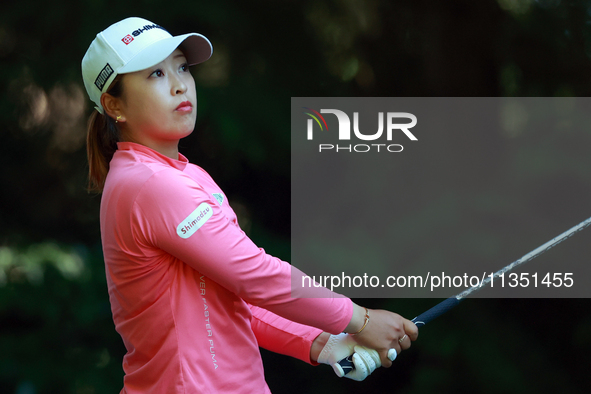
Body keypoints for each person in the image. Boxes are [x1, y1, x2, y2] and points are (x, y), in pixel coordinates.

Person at [81, 17, 418, 393]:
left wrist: (321, 342)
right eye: (156, 75)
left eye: (181, 67)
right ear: (115, 106)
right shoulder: (150, 184)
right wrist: (360, 319)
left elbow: (230, 296)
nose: (179, 85)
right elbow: (254, 275)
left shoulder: (181, 176)